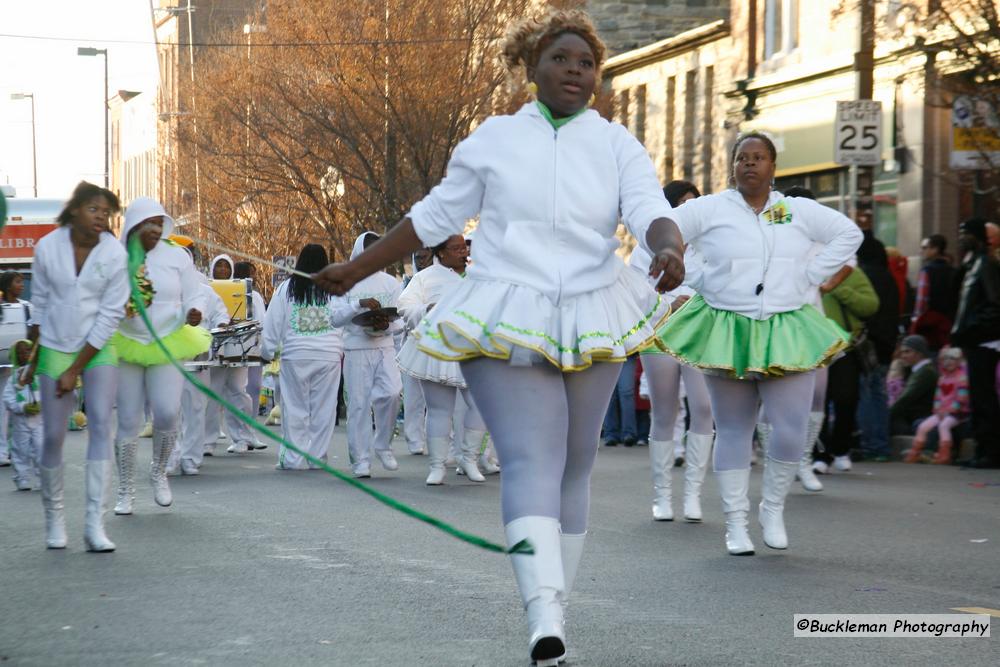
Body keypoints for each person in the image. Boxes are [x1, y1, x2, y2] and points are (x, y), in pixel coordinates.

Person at [313, 9, 684, 665]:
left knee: (576, 462)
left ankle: (555, 603)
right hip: (506, 306)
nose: (575, 70)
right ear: (532, 67)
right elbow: (432, 217)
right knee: (530, 459)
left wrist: (669, 243)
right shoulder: (493, 139)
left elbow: (648, 207)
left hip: (596, 306)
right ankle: (543, 617)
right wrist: (358, 267)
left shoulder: (616, 143)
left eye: (586, 62)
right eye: (561, 58)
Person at [656, 132, 862, 556]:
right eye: (742, 157)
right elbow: (665, 230)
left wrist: (811, 273)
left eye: (759, 157)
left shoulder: (796, 210)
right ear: (732, 166)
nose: (750, 164)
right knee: (732, 427)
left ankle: (772, 509)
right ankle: (735, 524)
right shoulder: (710, 208)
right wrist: (694, 272)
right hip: (727, 326)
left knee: (790, 428)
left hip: (787, 327)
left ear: (773, 168)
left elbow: (849, 234)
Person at [25, 181, 129, 551]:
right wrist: (35, 346)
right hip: (55, 343)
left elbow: (110, 315)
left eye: (106, 212)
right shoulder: (47, 247)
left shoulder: (114, 254)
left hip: (97, 347)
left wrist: (75, 370)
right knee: (53, 434)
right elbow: (38, 302)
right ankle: (54, 518)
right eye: (94, 209)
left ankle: (94, 526)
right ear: (74, 211)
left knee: (101, 421)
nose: (101, 217)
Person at [109, 198, 210, 515]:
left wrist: (196, 311)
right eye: (147, 224)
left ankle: (159, 471)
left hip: (168, 341)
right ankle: (125, 489)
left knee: (167, 412)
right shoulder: (117, 257)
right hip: (126, 342)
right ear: (135, 227)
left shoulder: (177, 256)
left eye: (158, 223)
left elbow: (196, 293)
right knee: (128, 419)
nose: (154, 230)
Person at [630, 181, 715, 521]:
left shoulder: (710, 245)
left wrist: (695, 303)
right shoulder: (646, 245)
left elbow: (723, 284)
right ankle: (662, 496)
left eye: (693, 205)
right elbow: (635, 289)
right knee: (664, 412)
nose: (688, 212)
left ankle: (693, 495)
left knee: (704, 407)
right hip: (659, 333)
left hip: (701, 332)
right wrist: (668, 302)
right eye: (682, 205)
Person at [397, 234, 490, 484]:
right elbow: (405, 306)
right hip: (435, 347)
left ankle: (468, 458)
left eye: (464, 247)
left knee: (482, 404)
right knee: (439, 409)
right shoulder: (424, 277)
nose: (462, 251)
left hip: (472, 348)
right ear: (441, 252)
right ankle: (437, 465)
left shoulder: (479, 276)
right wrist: (425, 310)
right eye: (456, 248)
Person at [262, 244, 345, 470]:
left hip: (295, 357)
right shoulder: (335, 289)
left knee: (295, 409)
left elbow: (272, 323)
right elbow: (345, 317)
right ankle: (318, 458)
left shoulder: (287, 288)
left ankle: (294, 459)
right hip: (328, 356)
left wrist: (266, 353)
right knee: (324, 410)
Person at [329, 232, 404, 479]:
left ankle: (382, 444)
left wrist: (387, 325)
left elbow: (399, 318)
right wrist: (358, 304)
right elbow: (335, 318)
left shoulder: (391, 282)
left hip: (384, 347)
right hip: (356, 349)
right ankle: (360, 460)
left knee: (392, 393)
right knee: (359, 405)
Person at [167, 240, 230, 476]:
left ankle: (191, 458)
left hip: (198, 360)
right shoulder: (163, 291)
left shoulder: (205, 292)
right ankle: (170, 457)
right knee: (169, 412)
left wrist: (221, 325)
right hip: (168, 361)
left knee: (195, 411)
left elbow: (220, 316)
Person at [813, 256, 879, 474]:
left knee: (846, 399)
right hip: (813, 350)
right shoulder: (806, 270)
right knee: (816, 402)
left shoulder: (852, 272)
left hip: (845, 349)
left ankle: (841, 450)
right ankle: (819, 455)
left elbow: (870, 305)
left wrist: (837, 288)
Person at [950, 218, 1000, 468]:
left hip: (984, 341)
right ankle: (983, 449)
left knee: (984, 396)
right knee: (979, 396)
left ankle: (990, 452)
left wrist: (973, 329)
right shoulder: (972, 264)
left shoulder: (986, 264)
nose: (961, 237)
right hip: (976, 340)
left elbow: (993, 304)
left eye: (965, 233)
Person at [855, 233, 901, 461]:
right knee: (879, 393)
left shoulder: (863, 276)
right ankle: (880, 445)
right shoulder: (888, 276)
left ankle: (869, 443)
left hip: (867, 343)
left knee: (864, 393)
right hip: (887, 342)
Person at [206, 254, 258, 455]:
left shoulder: (244, 291)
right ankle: (207, 441)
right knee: (212, 395)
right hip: (213, 346)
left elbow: (254, 316)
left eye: (226, 267)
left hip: (239, 346)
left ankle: (243, 437)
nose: (222, 270)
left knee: (239, 392)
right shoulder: (206, 290)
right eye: (218, 266)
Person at [904, 347, 969, 464]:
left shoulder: (962, 378)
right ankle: (915, 451)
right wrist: (938, 410)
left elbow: (962, 399)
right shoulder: (942, 378)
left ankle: (944, 454)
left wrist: (949, 410)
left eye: (952, 359)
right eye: (945, 359)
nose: (948, 362)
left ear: (959, 361)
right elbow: (938, 397)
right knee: (923, 426)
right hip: (942, 412)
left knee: (944, 426)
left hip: (958, 413)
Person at [400, 248, 435, 455]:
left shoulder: (445, 278)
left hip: (439, 345)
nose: (421, 261)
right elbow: (403, 310)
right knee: (413, 398)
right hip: (414, 343)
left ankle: (439, 440)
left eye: (425, 257)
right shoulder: (409, 282)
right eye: (418, 257)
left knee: (438, 399)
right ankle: (414, 439)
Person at [0, 270, 32, 468]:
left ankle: (18, 451)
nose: (21, 285)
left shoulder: (27, 308)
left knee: (20, 411)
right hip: (4, 368)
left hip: (21, 370)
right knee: (3, 410)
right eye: (17, 282)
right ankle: (3, 450)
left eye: (22, 281)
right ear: (6, 285)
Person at [233, 261, 268, 434]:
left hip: (255, 347)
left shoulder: (256, 296)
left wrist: (266, 345)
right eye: (250, 273)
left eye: (254, 274)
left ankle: (251, 427)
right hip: (236, 348)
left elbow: (263, 320)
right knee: (239, 389)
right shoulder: (232, 293)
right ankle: (240, 430)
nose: (253, 277)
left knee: (254, 386)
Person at [4, 340, 41, 490]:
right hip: (20, 421)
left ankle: (42, 478)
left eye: (27, 351)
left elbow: (47, 392)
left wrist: (41, 405)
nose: (23, 355)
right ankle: (22, 477)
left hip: (39, 420)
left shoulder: (39, 374)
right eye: (19, 353)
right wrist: (22, 407)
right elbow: (8, 398)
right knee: (21, 450)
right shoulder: (13, 378)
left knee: (41, 448)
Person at [909, 234, 955, 350]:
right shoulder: (954, 270)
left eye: (925, 248)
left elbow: (921, 302)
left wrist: (915, 321)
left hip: (930, 326)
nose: (921, 251)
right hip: (950, 323)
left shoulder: (927, 271)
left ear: (935, 249)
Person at [889, 335, 938, 435]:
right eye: (902, 352)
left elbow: (905, 399)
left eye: (907, 352)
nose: (903, 356)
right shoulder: (919, 370)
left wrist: (884, 415)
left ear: (919, 353)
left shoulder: (925, 372)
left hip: (919, 420)